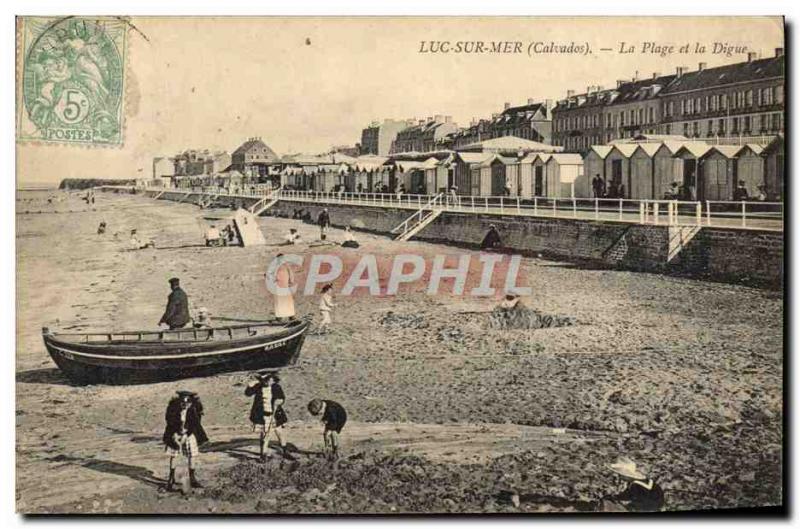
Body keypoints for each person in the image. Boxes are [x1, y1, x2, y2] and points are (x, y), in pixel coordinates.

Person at [162, 390, 208, 492]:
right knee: (173, 454)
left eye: (188, 403)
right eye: (183, 403)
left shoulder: (194, 410)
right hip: (174, 433)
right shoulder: (173, 409)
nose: (185, 405)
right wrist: (175, 435)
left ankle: (192, 478)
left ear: (192, 402)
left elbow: (195, 424)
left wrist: (186, 434)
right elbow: (170, 422)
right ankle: (171, 478)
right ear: (179, 402)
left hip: (188, 433)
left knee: (192, 455)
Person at [245, 371, 292, 461]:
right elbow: (248, 393)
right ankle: (263, 455)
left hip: (275, 415)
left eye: (268, 380)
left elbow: (282, 398)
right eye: (264, 380)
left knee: (280, 433)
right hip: (262, 416)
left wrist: (280, 401)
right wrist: (250, 385)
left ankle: (285, 451)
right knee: (265, 435)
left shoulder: (276, 387)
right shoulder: (258, 386)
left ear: (272, 379)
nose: (266, 382)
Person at [270, 254, 296, 321]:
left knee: (288, 302)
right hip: (278, 287)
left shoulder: (286, 266)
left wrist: (291, 282)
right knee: (279, 302)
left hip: (286, 286)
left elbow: (291, 275)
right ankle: (279, 318)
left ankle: (291, 316)